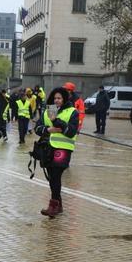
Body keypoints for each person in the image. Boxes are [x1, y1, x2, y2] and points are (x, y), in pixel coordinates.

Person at [34, 87, 79, 218]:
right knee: (51, 177)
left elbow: (71, 131)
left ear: (64, 99)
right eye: (55, 98)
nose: (56, 100)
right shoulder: (49, 110)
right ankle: (58, 203)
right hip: (47, 148)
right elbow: (38, 128)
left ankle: (53, 205)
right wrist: (49, 129)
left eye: (59, 98)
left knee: (55, 174)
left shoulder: (72, 112)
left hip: (63, 149)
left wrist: (56, 121)